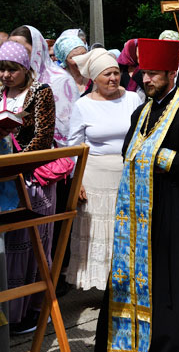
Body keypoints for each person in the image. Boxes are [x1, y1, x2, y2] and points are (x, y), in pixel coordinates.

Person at [94, 38, 179, 351]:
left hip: (172, 208)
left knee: (169, 279)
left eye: (154, 74)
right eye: (144, 73)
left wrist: (155, 157)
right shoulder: (142, 111)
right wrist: (145, 155)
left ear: (172, 72)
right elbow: (128, 150)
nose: (146, 80)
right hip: (137, 211)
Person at [66, 49, 142, 291]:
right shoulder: (83, 105)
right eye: (106, 74)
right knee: (100, 233)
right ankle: (103, 285)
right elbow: (73, 145)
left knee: (126, 229)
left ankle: (126, 282)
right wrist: (77, 181)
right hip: (95, 177)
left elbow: (143, 134)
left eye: (116, 73)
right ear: (95, 79)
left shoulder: (132, 99)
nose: (113, 78)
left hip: (127, 173)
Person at [0, 41, 56, 334]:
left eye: (13, 69)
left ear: (26, 69)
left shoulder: (40, 93)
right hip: (3, 182)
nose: (6, 75)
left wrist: (16, 164)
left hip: (31, 179)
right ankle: (6, 313)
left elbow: (44, 136)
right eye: (2, 69)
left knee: (33, 246)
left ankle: (30, 313)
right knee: (6, 251)